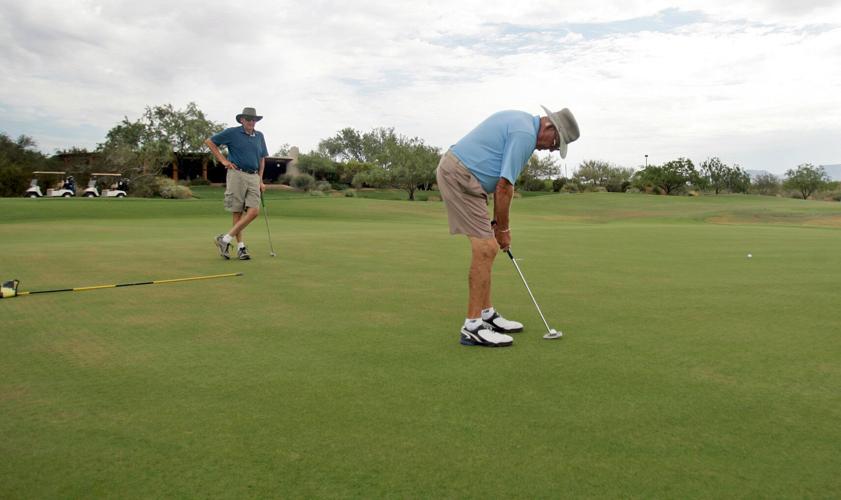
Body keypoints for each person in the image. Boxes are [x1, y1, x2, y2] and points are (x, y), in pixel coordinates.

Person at [436, 106, 580, 347]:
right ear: (548, 127)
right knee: (486, 249)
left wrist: (497, 223)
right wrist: (503, 229)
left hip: (470, 180)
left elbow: (499, 180)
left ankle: (486, 314)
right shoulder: (524, 135)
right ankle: (472, 327)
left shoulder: (523, 123)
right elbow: (504, 186)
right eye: (556, 142)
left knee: (488, 247)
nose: (553, 149)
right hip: (460, 176)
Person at [205, 107, 269, 260]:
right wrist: (223, 160)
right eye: (248, 119)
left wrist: (260, 180)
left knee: (253, 212)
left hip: (253, 176)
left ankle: (225, 239)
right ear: (242, 120)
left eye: (254, 120)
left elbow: (262, 159)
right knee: (237, 212)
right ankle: (241, 248)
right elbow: (209, 142)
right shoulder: (232, 132)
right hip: (237, 174)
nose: (251, 122)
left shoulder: (259, 136)